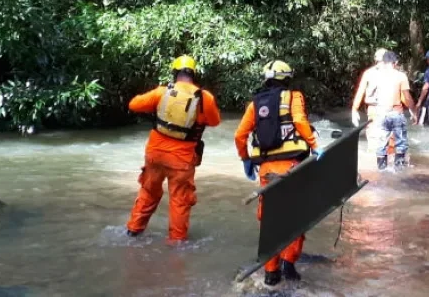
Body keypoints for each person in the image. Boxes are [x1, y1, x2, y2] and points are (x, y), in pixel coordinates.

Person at [234, 60, 325, 286]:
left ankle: (271, 273)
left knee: (270, 220)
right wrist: (314, 145)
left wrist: (245, 159)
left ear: (266, 78)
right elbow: (300, 122)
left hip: (267, 170)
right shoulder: (294, 97)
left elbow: (239, 135)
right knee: (296, 217)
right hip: (294, 167)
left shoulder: (255, 104)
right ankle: (289, 265)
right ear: (287, 78)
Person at [125, 55, 222, 242]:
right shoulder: (204, 97)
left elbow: (133, 104)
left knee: (148, 191)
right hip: (182, 160)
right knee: (179, 200)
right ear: (193, 74)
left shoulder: (163, 92)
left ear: (175, 73)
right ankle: (176, 244)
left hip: (154, 154)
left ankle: (133, 231)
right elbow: (215, 121)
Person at [369, 51, 417, 170]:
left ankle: (381, 170)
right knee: (400, 143)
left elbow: (369, 94)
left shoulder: (376, 76)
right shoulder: (400, 76)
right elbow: (407, 97)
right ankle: (399, 172)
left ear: (383, 62)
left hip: (381, 113)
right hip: (396, 113)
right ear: (395, 63)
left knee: (381, 143)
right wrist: (414, 112)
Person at [351, 47, 395, 156]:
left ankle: (376, 165)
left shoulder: (369, 73)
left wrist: (354, 110)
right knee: (384, 140)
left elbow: (360, 92)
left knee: (377, 139)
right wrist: (354, 110)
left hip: (379, 110)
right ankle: (386, 166)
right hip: (381, 110)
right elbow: (360, 91)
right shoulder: (391, 73)